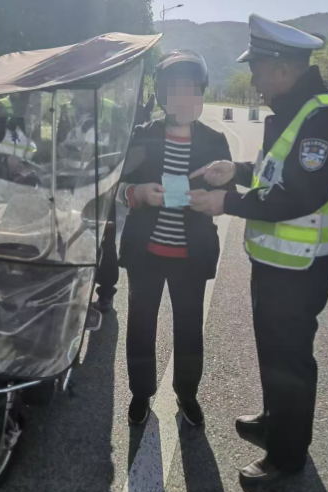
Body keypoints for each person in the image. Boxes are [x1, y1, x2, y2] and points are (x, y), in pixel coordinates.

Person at [188, 13, 328, 484]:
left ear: (283, 68)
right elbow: (276, 172)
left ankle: (286, 457)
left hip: (300, 269)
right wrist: (237, 170)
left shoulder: (326, 118)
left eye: (257, 70)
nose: (254, 81)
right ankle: (274, 420)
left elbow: (299, 195)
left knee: (290, 358)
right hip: (275, 262)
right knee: (273, 351)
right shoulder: (296, 111)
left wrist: (226, 202)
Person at [117, 50, 235, 426]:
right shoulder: (143, 136)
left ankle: (187, 393)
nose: (184, 98)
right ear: (162, 94)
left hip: (191, 255)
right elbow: (115, 187)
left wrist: (212, 200)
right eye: (175, 90)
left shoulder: (214, 142)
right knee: (140, 325)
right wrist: (136, 193)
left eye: (191, 90)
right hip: (146, 253)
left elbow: (228, 193)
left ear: (201, 93)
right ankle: (140, 393)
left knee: (189, 327)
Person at [92, 92, 156, 314]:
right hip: (70, 185)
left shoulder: (114, 111)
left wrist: (114, 172)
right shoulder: (67, 109)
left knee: (105, 237)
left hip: (104, 185)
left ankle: (106, 293)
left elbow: (124, 148)